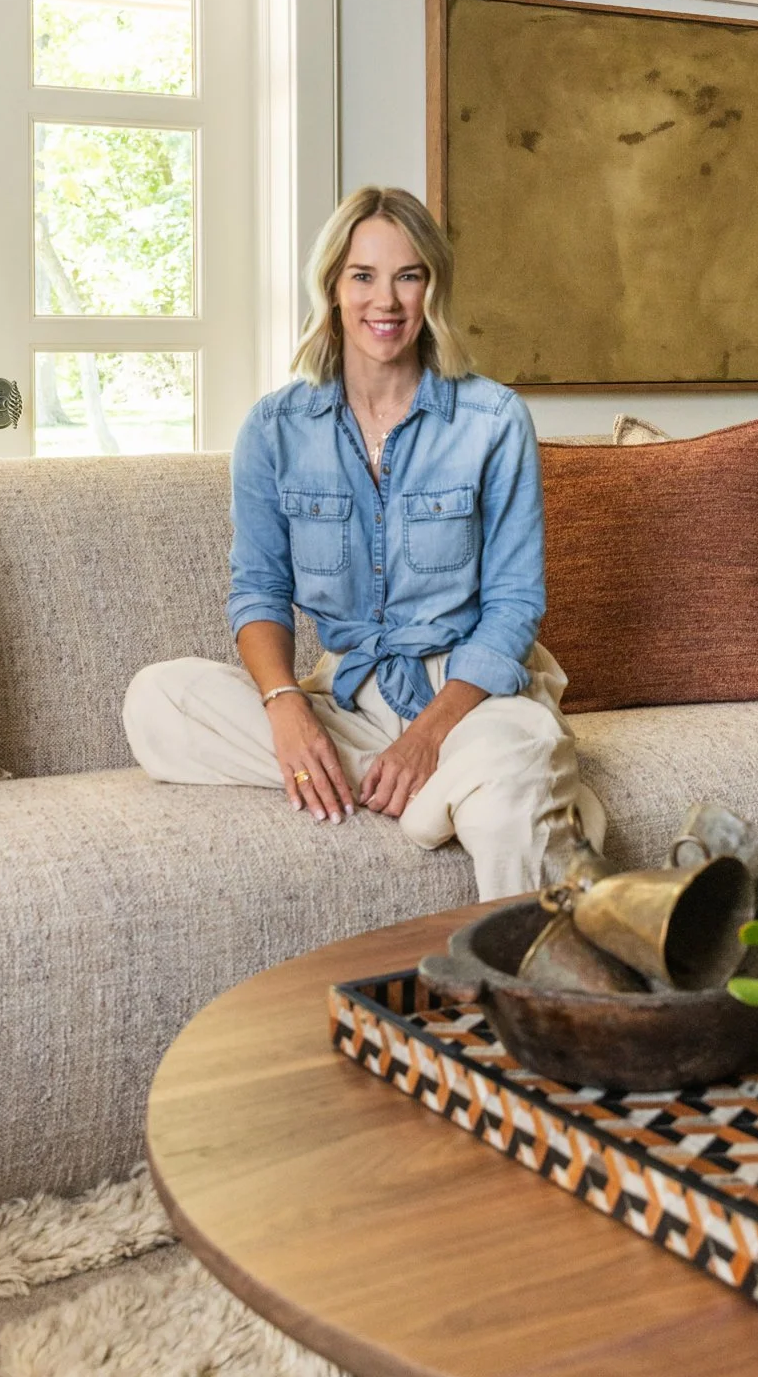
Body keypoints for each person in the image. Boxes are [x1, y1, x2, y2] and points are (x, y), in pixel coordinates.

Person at [123, 185, 606, 900]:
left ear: (432, 289)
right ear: (333, 287)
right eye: (364, 276)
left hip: (469, 695)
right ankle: (445, 794)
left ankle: (474, 784)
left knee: (516, 748)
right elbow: (259, 591)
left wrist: (429, 735)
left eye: (409, 276)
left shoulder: (492, 419)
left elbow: (512, 607)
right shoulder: (274, 428)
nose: (386, 301)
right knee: (157, 700)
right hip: (346, 697)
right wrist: (285, 709)